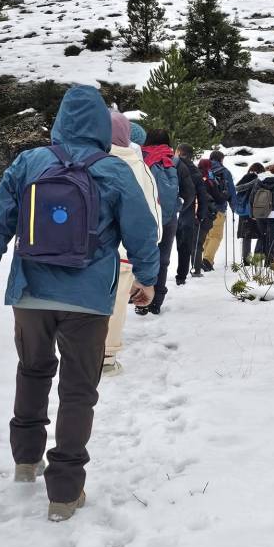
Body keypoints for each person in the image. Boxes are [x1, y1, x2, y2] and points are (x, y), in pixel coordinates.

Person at [0, 85, 159, 522]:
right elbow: (142, 231)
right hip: (88, 300)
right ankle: (65, 494)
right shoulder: (113, 170)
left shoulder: (29, 162)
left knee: (32, 371)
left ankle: (26, 460)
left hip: (30, 294)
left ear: (61, 120)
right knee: (77, 390)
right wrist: (146, 279)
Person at [103, 112, 162, 375]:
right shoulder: (136, 164)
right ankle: (105, 358)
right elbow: (150, 212)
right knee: (115, 305)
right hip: (125, 251)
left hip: (86, 250)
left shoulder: (82, 160)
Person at [136, 129, 180, 315]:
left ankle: (141, 301)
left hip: (146, 215)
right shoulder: (174, 160)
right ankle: (157, 301)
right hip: (169, 218)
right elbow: (189, 189)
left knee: (144, 257)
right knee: (163, 260)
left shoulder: (140, 157)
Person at [173, 143, 210, 285]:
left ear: (179, 152)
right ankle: (181, 276)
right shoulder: (195, 171)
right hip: (188, 212)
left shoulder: (171, 165)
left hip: (170, 210)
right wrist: (200, 214)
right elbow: (202, 195)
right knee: (185, 246)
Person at [200, 150, 235, 272]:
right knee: (216, 235)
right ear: (221, 160)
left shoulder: (203, 169)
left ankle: (201, 259)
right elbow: (231, 191)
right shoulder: (224, 172)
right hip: (218, 208)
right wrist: (233, 207)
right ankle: (207, 261)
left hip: (203, 207)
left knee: (207, 234)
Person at [233, 163, 263, 264]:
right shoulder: (261, 179)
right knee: (261, 234)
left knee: (246, 236)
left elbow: (236, 188)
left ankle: (246, 260)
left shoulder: (246, 177)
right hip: (258, 211)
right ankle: (257, 260)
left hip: (244, 211)